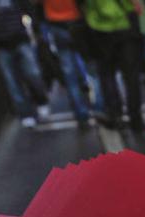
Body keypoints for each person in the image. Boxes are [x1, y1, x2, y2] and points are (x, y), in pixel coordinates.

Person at [0, 0, 50, 128]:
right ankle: (26, 113)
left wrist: (33, 27)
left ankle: (41, 100)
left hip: (19, 36)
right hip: (1, 42)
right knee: (12, 82)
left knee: (33, 73)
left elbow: (26, 7)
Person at [80, 0, 145, 131]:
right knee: (131, 76)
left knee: (107, 75)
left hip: (99, 28)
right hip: (124, 24)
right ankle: (136, 119)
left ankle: (116, 116)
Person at [41, 0, 104, 129]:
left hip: (56, 24)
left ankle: (81, 114)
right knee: (92, 68)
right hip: (78, 21)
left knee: (70, 74)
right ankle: (99, 107)